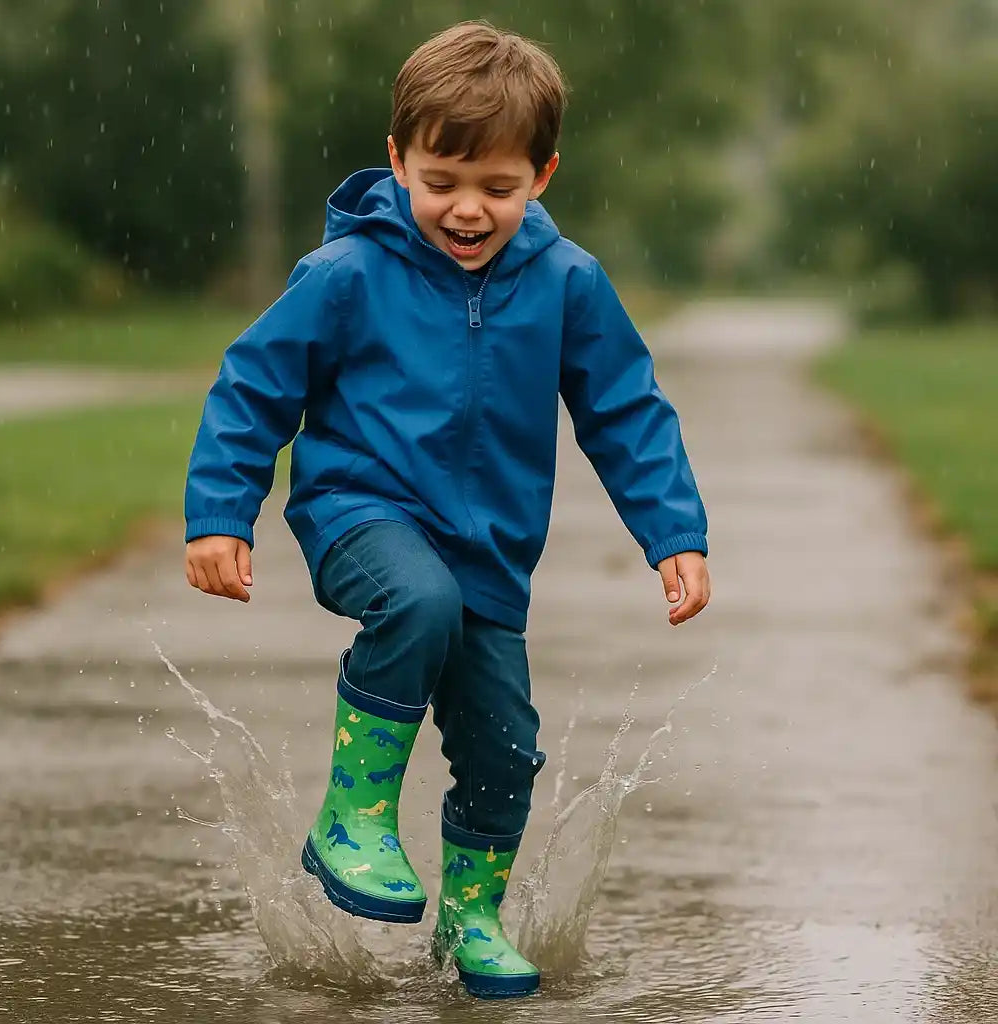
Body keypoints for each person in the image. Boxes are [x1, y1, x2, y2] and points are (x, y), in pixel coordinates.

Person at [183, 20, 710, 1000]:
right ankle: (356, 812)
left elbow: (626, 411)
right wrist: (220, 512)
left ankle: (471, 920)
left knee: (505, 747)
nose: (467, 209)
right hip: (360, 512)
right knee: (416, 602)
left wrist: (671, 533)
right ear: (398, 160)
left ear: (542, 175)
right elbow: (255, 386)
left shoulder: (566, 285)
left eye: (498, 188)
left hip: (491, 556)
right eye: (441, 182)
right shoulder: (347, 275)